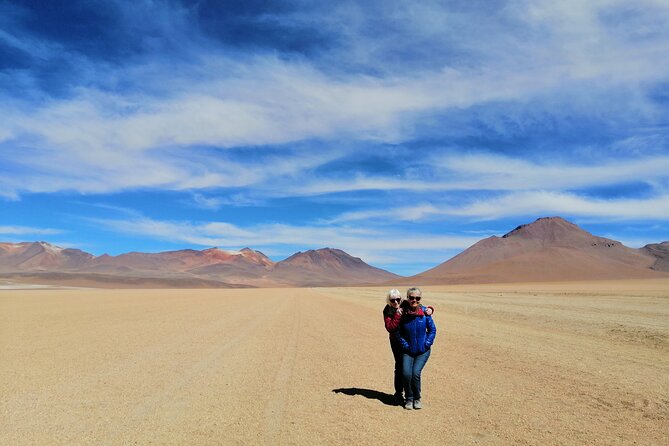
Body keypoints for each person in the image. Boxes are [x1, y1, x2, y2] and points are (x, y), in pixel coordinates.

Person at [383, 289, 434, 405]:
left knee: (411, 371)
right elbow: (390, 328)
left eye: (398, 299)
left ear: (402, 299)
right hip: (396, 342)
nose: (395, 302)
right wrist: (397, 315)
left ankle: (412, 396)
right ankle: (399, 394)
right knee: (400, 368)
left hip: (410, 340)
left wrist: (430, 309)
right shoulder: (388, 310)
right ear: (389, 301)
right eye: (392, 300)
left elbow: (420, 306)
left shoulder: (406, 304)